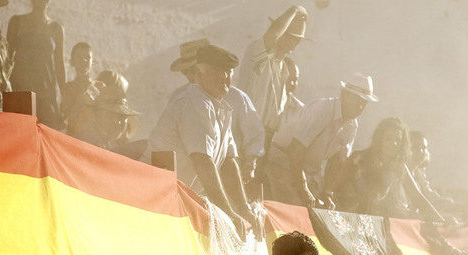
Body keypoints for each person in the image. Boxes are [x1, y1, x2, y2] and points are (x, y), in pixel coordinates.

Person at [148, 44, 257, 234]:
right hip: (157, 198)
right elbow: (203, 161)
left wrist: (244, 208)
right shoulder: (195, 102)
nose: (224, 77)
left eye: (228, 72)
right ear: (199, 74)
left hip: (180, 198)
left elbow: (229, 163)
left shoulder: (220, 107)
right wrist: (230, 213)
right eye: (217, 71)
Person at [265, 73, 376, 208]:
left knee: (318, 210)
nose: (360, 107)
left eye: (364, 103)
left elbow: (337, 161)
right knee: (297, 209)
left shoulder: (352, 125)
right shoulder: (322, 109)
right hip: (282, 161)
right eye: (357, 100)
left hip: (308, 171)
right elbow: (294, 151)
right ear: (344, 94)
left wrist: (327, 192)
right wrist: (303, 189)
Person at [328, 117, 445, 220]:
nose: (393, 144)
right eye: (389, 139)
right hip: (349, 219)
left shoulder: (398, 167)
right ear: (379, 139)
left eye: (397, 140)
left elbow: (417, 197)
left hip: (377, 223)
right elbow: (333, 188)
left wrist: (440, 220)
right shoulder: (358, 159)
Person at [238, 4, 306, 138]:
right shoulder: (259, 54)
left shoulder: (286, 70)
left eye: (293, 38)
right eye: (283, 33)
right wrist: (296, 9)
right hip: (244, 131)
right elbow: (272, 34)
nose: (281, 36)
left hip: (265, 137)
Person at [6, 0, 65, 127]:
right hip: (20, 89)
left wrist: (64, 100)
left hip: (46, 93)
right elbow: (7, 59)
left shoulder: (56, 28)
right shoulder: (17, 22)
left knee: (43, 136)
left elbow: (59, 66)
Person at [67, 70, 139, 152]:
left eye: (122, 116)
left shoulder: (115, 141)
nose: (118, 122)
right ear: (99, 114)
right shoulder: (87, 140)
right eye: (112, 115)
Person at [59, 41, 99, 129]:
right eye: (79, 57)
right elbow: (66, 116)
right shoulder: (67, 89)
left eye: (87, 58)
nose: (83, 60)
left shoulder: (99, 87)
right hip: (74, 135)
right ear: (71, 62)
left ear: (93, 62)